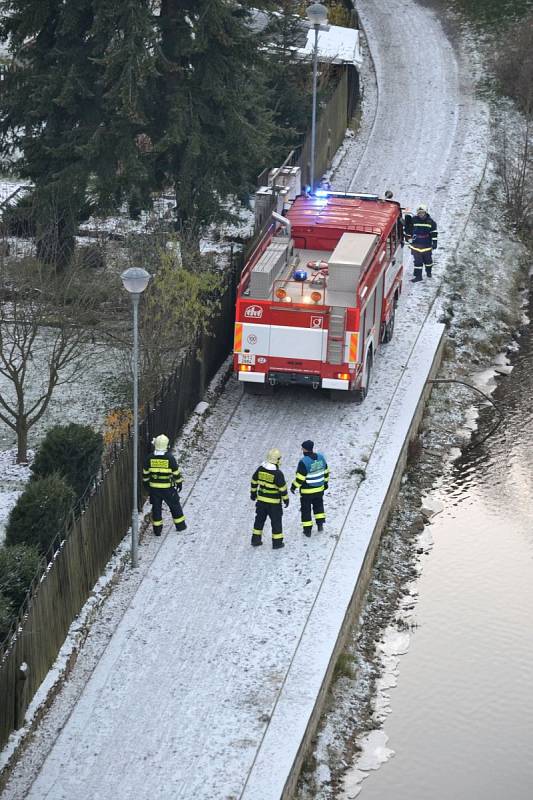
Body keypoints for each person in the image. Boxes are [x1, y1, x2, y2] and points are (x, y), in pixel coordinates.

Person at [142, 434, 186, 536]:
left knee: (156, 509)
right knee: (174, 505)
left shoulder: (149, 458)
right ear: (166, 445)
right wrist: (179, 483)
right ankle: (180, 526)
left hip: (154, 489)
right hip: (167, 488)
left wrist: (146, 484)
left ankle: (157, 530)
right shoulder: (169, 458)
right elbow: (175, 472)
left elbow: (145, 474)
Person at [250, 448, 289, 549]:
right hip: (274, 504)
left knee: (259, 521)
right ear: (277, 460)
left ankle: (255, 540)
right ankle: (277, 543)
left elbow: (254, 481)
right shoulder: (278, 474)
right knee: (276, 523)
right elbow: (282, 489)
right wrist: (286, 499)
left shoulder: (260, 469)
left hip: (261, 502)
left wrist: (253, 493)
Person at [291, 440, 329, 537]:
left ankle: (307, 530)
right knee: (319, 507)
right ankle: (320, 525)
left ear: (304, 449)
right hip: (319, 489)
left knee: (306, 510)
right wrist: (325, 483)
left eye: (302, 448)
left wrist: (293, 486)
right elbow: (326, 471)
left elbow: (300, 478)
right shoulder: (321, 457)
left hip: (307, 492)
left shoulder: (303, 462)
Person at [405, 204, 438, 282]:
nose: (421, 214)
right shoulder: (413, 220)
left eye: (422, 212)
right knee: (417, 262)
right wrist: (408, 238)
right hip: (416, 244)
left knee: (428, 261)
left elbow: (434, 233)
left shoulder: (431, 222)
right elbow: (409, 230)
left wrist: (435, 242)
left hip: (426, 245)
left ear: (426, 212)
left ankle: (428, 271)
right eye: (419, 212)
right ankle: (418, 276)